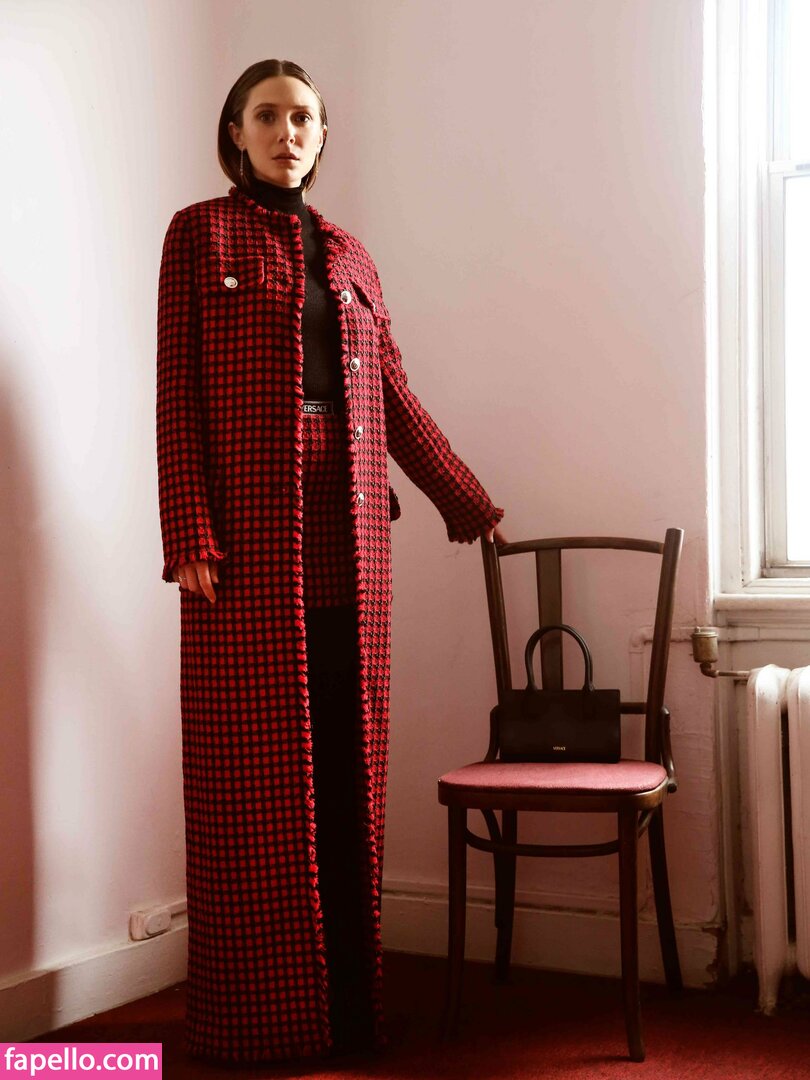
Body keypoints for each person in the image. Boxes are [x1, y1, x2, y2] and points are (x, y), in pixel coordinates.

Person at [155, 57, 506, 1067]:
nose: (288, 133)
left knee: (345, 761)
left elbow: (392, 395)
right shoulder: (199, 235)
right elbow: (177, 389)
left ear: (320, 134)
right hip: (244, 539)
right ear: (235, 132)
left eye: (304, 117)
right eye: (267, 116)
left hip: (351, 530)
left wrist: (469, 501)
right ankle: (256, 1019)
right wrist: (188, 534)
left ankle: (348, 1008)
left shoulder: (353, 256)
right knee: (252, 776)